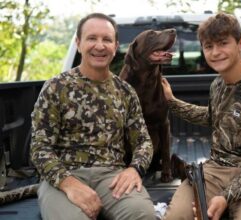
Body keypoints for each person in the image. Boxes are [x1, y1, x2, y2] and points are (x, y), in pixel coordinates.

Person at [30, 13, 156, 220]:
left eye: (107, 39)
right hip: (63, 177)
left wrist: (135, 169)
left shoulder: (125, 91)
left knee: (143, 215)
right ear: (78, 43)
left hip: (111, 176)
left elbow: (143, 141)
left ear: (115, 46)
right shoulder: (56, 87)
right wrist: (68, 183)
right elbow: (39, 147)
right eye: (92, 38)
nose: (100, 46)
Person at [161, 12, 241, 220]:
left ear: (240, 44)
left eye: (223, 43)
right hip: (214, 171)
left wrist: (225, 197)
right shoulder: (217, 84)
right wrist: (172, 102)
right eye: (209, 46)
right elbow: (213, 117)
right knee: (176, 216)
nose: (215, 52)